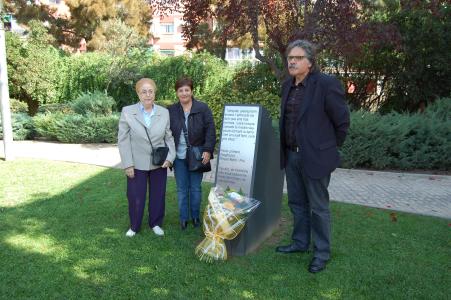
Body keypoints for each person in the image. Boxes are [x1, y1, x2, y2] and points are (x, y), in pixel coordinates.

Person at [276, 40, 350, 273]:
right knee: (297, 203)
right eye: (290, 57)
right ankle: (299, 243)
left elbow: (342, 122)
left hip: (316, 158)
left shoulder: (326, 85)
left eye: (297, 58)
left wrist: (326, 149)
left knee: (318, 207)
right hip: (291, 156)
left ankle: (321, 252)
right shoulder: (287, 85)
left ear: (310, 62)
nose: (292, 61)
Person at [118, 78, 176, 237]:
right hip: (136, 163)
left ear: (155, 93)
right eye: (143, 91)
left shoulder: (164, 112)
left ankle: (156, 223)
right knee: (135, 196)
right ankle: (134, 226)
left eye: (150, 91)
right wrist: (127, 164)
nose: (147, 94)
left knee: (158, 195)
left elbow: (169, 137)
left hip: (159, 162)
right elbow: (122, 140)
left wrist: (170, 158)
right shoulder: (127, 111)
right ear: (138, 94)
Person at [168, 77, 216, 230]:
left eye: (186, 90)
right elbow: (165, 132)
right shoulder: (171, 110)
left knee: (195, 188)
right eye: (180, 90)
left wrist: (208, 150)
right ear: (177, 93)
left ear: (192, 91)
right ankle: (184, 218)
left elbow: (210, 130)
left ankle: (195, 216)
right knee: (182, 189)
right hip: (179, 157)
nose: (184, 93)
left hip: (197, 155)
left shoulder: (202, 108)